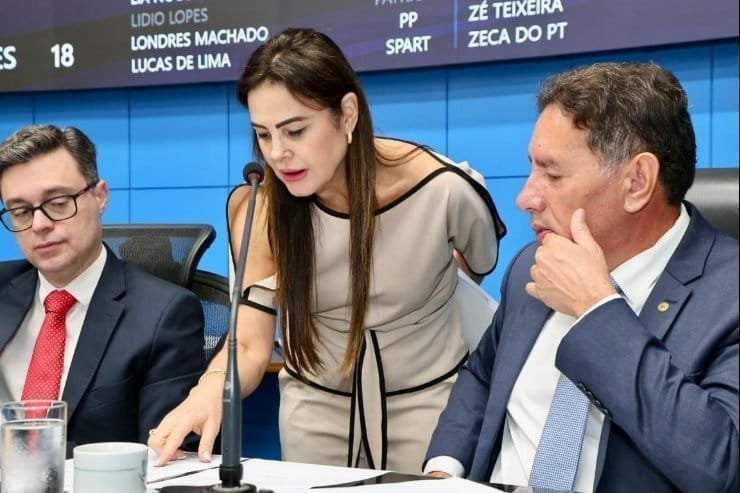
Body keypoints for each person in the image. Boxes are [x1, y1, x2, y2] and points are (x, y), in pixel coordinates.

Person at [149, 28, 506, 473]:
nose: (278, 153)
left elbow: (476, 265)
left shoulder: (441, 188)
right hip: (314, 414)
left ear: (347, 113)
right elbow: (250, 342)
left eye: (296, 130)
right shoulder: (262, 207)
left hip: (431, 406)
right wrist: (207, 391)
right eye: (263, 135)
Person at [424, 62, 739, 492]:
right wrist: (444, 471)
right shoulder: (533, 265)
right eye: (532, 169)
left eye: (552, 174)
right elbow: (483, 375)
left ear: (637, 182)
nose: (525, 198)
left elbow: (721, 467)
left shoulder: (728, 295)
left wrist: (597, 309)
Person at [0, 124, 206, 446]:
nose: (39, 224)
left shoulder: (164, 315)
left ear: (100, 197)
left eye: (58, 202)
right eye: (21, 211)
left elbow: (167, 455)